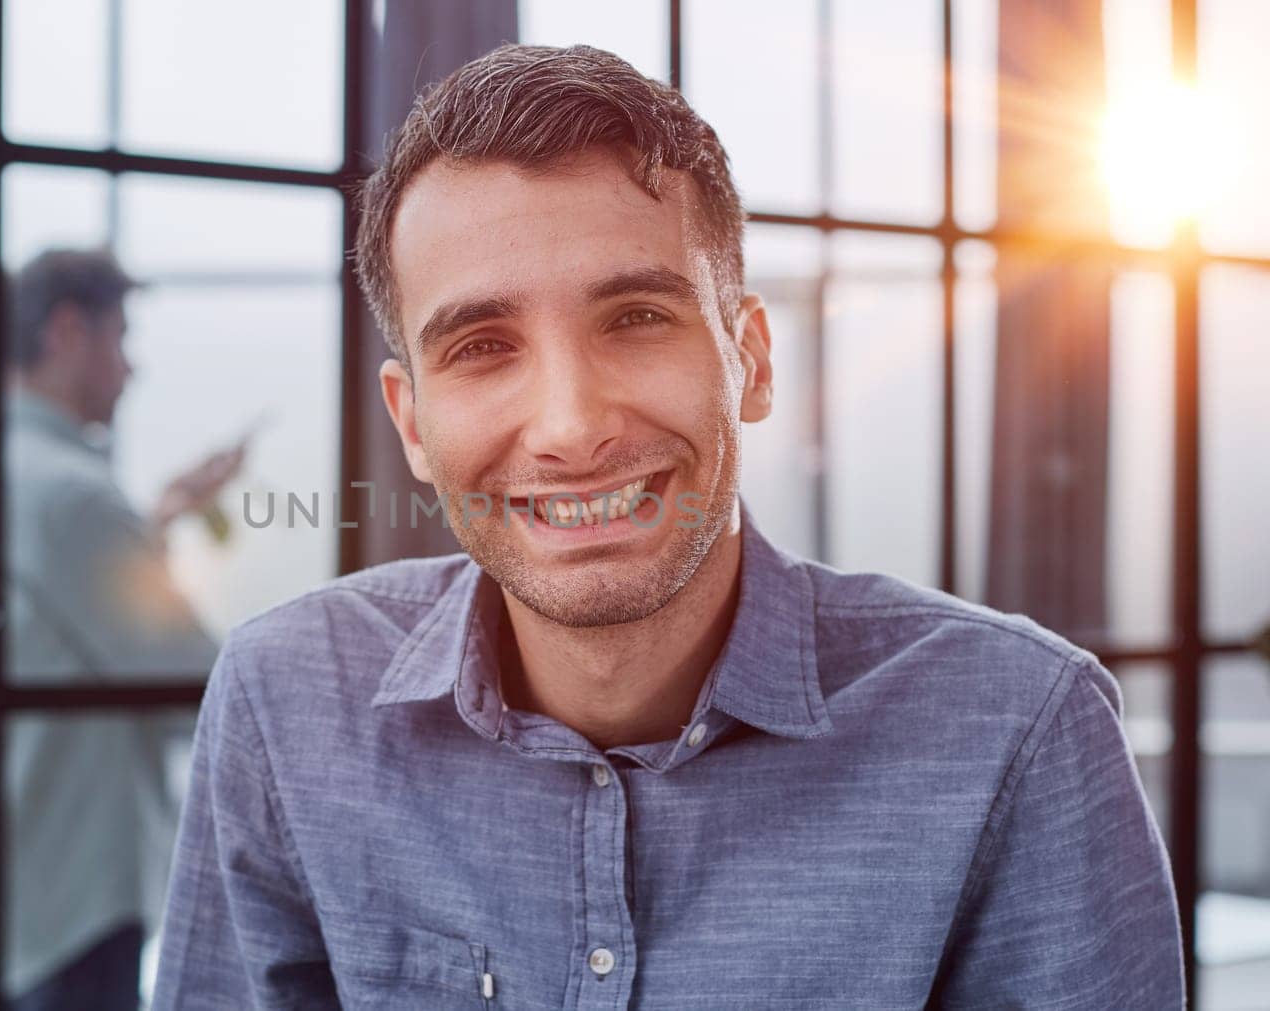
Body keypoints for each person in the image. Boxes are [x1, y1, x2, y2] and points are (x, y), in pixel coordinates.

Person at [151, 45, 1184, 1009]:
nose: (569, 427)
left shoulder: (1017, 730)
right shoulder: (285, 703)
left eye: (636, 319)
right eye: (481, 346)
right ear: (412, 425)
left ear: (754, 361)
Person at [0, 249, 243, 1010]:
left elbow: (59, 627)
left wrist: (157, 519)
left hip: (15, 881)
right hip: (80, 898)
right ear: (68, 331)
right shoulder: (72, 495)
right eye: (119, 338)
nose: (130, 369)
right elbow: (194, 682)